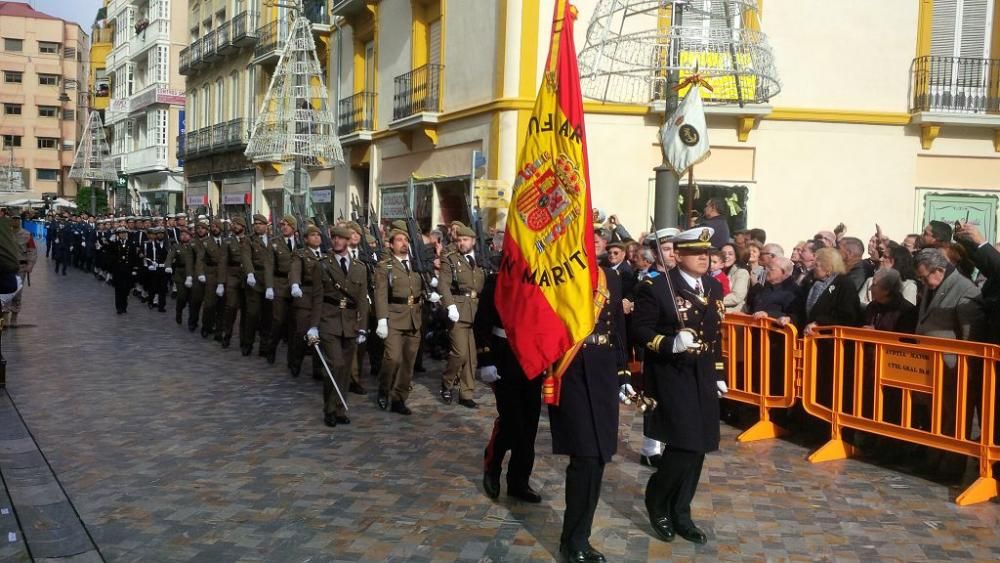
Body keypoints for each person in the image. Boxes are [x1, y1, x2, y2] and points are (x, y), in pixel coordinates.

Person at [631, 227, 727, 546]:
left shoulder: (712, 286)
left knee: (700, 445)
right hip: (672, 374)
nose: (704, 257)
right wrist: (669, 342)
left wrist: (719, 371)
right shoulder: (658, 288)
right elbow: (639, 330)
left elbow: (716, 335)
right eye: (697, 252)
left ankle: (682, 512)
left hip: (701, 373)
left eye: (707, 252)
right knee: (684, 442)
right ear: (679, 255)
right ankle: (657, 498)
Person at [548, 264, 628, 563]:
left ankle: (579, 536)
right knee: (584, 456)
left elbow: (617, 324)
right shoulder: (560, 268)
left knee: (599, 456)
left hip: (604, 368)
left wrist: (623, 373)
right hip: (571, 368)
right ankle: (574, 541)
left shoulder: (610, 275)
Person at [374, 227, 440, 414]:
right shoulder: (385, 266)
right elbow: (380, 295)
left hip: (414, 317)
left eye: (406, 240)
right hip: (394, 316)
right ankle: (384, 388)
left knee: (408, 362)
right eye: (399, 240)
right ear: (391, 244)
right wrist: (381, 320)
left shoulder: (416, 264)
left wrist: (431, 294)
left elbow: (425, 284)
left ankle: (399, 398)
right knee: (392, 358)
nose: (403, 243)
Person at [308, 226, 369, 428]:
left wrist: (362, 327)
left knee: (344, 369)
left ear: (348, 241)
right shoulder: (322, 265)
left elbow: (362, 300)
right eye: (333, 238)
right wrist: (314, 326)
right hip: (329, 320)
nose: (336, 241)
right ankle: (330, 409)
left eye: (340, 238)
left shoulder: (360, 267)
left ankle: (341, 407)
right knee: (335, 364)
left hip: (350, 323)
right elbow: (317, 297)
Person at [437, 223, 487, 408]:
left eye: (465, 240)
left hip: (477, 311)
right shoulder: (450, 259)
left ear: (473, 241)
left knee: (472, 358)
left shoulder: (481, 259)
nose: (461, 243)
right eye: (459, 240)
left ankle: (466, 394)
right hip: (458, 310)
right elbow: (443, 284)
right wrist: (450, 305)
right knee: (459, 353)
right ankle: (447, 382)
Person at [289, 224, 327, 378]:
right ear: (305, 239)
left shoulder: (326, 255)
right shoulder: (300, 254)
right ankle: (295, 362)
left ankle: (317, 369)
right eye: (312, 235)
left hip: (323, 296)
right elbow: (295, 270)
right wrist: (295, 284)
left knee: (321, 334)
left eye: (318, 235)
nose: (316, 237)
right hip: (305, 296)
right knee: (302, 332)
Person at [262, 215, 299, 365]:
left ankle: (293, 358)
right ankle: (271, 349)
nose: (284, 227)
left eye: (287, 225)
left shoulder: (300, 243)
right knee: (278, 320)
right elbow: (269, 266)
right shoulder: (274, 243)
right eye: (282, 225)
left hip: (296, 286)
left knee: (294, 323)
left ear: (294, 227)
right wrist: (269, 286)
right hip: (279, 284)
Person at [220, 217, 252, 349]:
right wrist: (221, 282)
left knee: (246, 309)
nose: (235, 226)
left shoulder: (250, 240)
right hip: (232, 275)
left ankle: (244, 340)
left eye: (237, 224)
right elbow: (222, 262)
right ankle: (226, 334)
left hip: (247, 276)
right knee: (231, 307)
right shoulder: (227, 241)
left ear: (243, 226)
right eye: (233, 224)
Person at [863, 269, 917, 333]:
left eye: (874, 285)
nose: (870, 288)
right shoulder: (872, 307)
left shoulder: (907, 312)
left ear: (886, 290)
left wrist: (877, 334)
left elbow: (903, 339)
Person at [164, 227, 196, 326]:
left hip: (193, 274)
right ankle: (179, 311)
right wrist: (168, 266)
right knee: (182, 297)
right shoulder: (176, 246)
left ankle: (192, 321)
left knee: (193, 299)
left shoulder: (194, 246)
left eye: (186, 234)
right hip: (180, 274)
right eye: (182, 235)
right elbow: (170, 256)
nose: (184, 236)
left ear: (190, 236)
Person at [108, 226, 140, 314]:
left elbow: (134, 258)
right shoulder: (115, 244)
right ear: (118, 235)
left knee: (126, 289)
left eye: (125, 233)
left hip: (128, 270)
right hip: (118, 270)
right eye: (121, 233)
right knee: (118, 290)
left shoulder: (131, 244)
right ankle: (119, 307)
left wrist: (134, 269)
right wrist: (112, 269)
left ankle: (124, 306)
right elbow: (111, 256)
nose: (123, 235)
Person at [720, 242, 749, 314]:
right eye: (723, 254)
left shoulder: (742, 273)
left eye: (730, 254)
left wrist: (714, 301)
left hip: (733, 315)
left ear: (735, 257)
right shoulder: (715, 271)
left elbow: (736, 297)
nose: (726, 256)